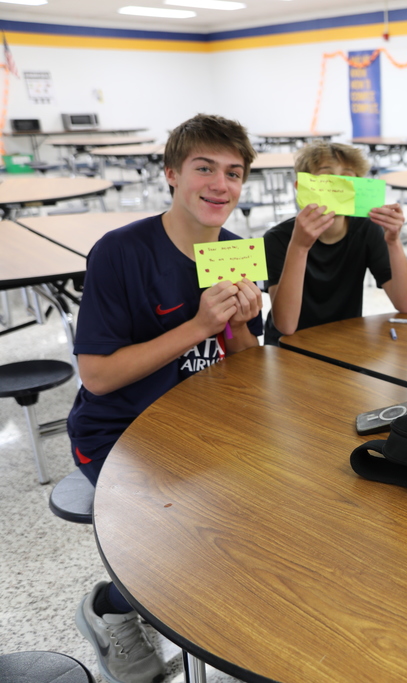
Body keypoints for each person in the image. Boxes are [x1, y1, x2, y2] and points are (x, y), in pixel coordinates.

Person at [67, 113, 264, 683]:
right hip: (120, 432)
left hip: (203, 427)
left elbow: (246, 366)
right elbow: (98, 376)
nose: (220, 184)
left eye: (233, 172)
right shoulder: (120, 253)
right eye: (204, 168)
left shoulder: (232, 251)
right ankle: (110, 607)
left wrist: (244, 328)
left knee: (270, 518)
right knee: (191, 542)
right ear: (172, 174)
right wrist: (199, 325)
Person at [263, 142, 407, 345]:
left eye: (347, 176)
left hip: (344, 340)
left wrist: (394, 242)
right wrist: (299, 247)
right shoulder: (277, 238)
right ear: (302, 187)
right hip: (289, 346)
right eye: (328, 176)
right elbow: (286, 325)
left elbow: (404, 303)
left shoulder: (366, 230)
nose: (338, 184)